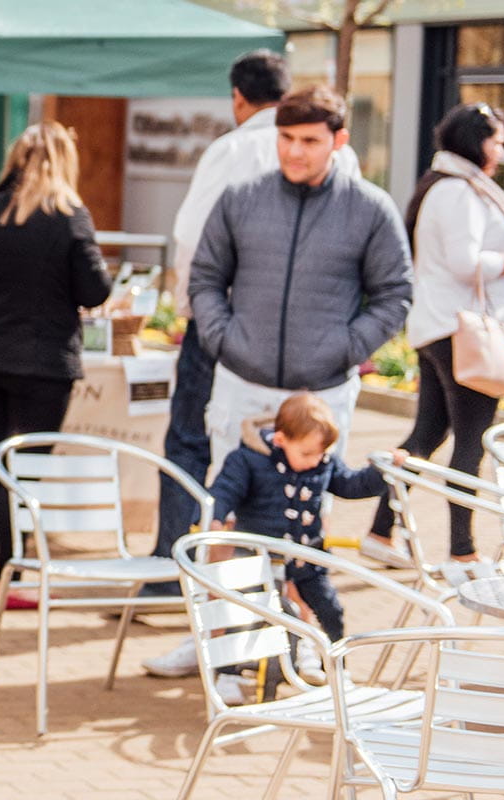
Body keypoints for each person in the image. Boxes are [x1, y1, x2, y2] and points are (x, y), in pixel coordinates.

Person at [146, 86, 412, 679]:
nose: (295, 151)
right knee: (227, 523)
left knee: (303, 526)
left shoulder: (370, 209)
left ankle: (301, 647)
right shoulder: (241, 198)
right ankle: (214, 642)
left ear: (339, 141)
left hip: (321, 397)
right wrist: (225, 338)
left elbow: (396, 293)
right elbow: (207, 278)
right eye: (286, 139)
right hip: (242, 384)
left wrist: (344, 347)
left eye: (310, 141)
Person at [150, 50, 364, 580]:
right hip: (295, 338)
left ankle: (173, 570)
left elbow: (190, 242)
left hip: (234, 331)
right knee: (286, 457)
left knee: (193, 442)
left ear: (238, 99)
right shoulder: (345, 160)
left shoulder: (231, 148)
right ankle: (280, 586)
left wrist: (203, 321)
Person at [0, 121, 113, 608]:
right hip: (44, 360)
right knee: (25, 472)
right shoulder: (69, 216)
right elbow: (95, 290)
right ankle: (15, 579)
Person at [366, 102, 504, 566]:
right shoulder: (458, 192)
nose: (501, 151)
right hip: (462, 331)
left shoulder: (445, 187)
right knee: (471, 440)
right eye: (497, 140)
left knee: (426, 435)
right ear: (476, 142)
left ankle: (381, 532)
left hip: (440, 328)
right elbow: (465, 263)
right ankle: (463, 552)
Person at [206, 393, 407, 681]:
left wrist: (384, 471)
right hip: (259, 558)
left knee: (331, 610)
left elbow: (352, 485)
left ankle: (334, 669)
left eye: (321, 454)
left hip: (307, 560)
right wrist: (215, 516)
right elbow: (225, 489)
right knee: (244, 614)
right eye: (306, 454)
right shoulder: (248, 459)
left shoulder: (322, 462)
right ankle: (229, 674)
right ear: (280, 439)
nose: (315, 462)